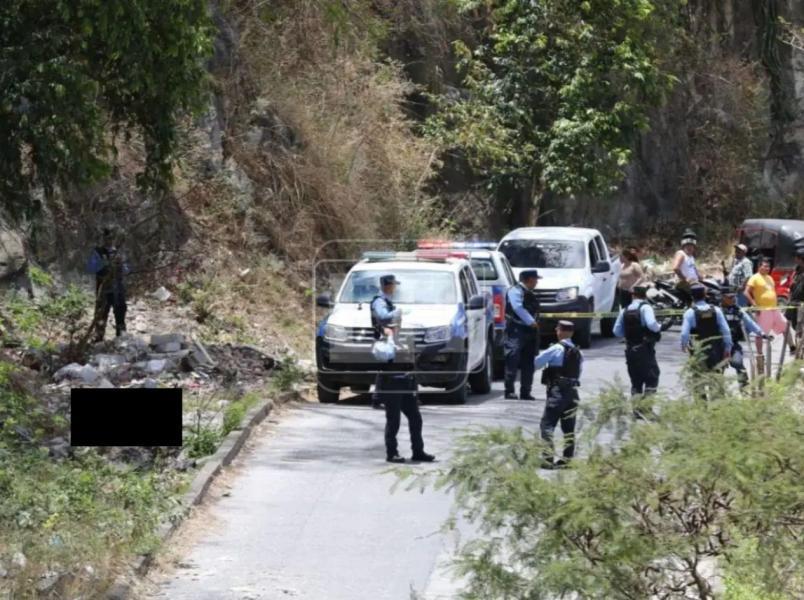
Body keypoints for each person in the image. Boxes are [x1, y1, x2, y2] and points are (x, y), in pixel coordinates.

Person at [370, 274, 434, 464]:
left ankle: (418, 451)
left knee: (415, 417)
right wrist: (395, 315)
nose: (394, 288)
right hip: (391, 378)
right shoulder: (380, 303)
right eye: (392, 285)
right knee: (394, 419)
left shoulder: (389, 306)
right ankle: (392, 453)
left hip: (404, 376)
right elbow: (382, 317)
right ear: (387, 286)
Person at [534, 321, 582, 469]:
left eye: (557, 328)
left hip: (557, 392)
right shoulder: (578, 352)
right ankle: (567, 460)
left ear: (559, 331)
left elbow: (536, 363)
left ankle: (548, 460)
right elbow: (578, 373)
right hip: (572, 393)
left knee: (547, 426)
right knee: (568, 428)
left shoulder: (556, 349)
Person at [613, 284, 661, 418]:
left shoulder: (625, 310)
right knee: (652, 377)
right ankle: (646, 409)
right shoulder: (646, 308)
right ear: (644, 295)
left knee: (636, 380)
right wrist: (659, 327)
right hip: (645, 349)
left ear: (633, 295)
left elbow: (616, 331)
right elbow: (652, 324)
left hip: (630, 350)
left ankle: (637, 410)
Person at [503, 269, 542, 400]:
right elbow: (517, 308)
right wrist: (531, 321)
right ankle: (509, 391)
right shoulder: (515, 291)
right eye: (536, 279)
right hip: (516, 329)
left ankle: (526, 392)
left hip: (530, 331)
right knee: (512, 358)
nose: (537, 282)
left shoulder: (529, 293)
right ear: (530, 279)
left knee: (528, 362)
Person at [86, 226, 129, 342]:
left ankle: (121, 340)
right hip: (103, 290)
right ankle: (98, 339)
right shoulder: (97, 252)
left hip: (118, 290)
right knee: (101, 316)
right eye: (107, 238)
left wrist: (120, 264)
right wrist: (103, 263)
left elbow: (127, 269)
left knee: (120, 315)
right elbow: (90, 268)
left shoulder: (119, 252)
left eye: (111, 238)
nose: (109, 241)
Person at [744, 258, 791, 363]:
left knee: (786, 325)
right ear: (759, 267)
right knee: (761, 332)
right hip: (763, 310)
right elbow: (746, 292)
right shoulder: (754, 278)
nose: (766, 268)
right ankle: (760, 354)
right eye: (764, 266)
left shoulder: (770, 278)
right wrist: (754, 304)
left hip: (774, 309)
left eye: (768, 266)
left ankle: (792, 347)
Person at [720, 285, 766, 389]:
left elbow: (750, 323)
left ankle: (744, 387)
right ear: (723, 297)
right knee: (718, 371)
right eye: (730, 297)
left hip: (733, 344)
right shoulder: (717, 311)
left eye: (734, 297)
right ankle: (719, 394)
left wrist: (762, 334)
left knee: (738, 363)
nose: (733, 299)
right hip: (719, 345)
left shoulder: (737, 310)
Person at [680, 283, 732, 372]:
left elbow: (684, 333)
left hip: (698, 348)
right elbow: (726, 330)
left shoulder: (689, 313)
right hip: (716, 348)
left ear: (692, 297)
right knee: (716, 378)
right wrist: (728, 348)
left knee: (699, 378)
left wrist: (684, 345)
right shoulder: (717, 310)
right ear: (705, 295)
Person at [672, 230, 700, 305]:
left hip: (692, 282)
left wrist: (701, 277)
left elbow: (694, 269)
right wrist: (685, 279)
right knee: (699, 294)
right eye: (687, 246)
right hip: (682, 283)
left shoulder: (691, 257)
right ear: (683, 245)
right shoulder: (681, 254)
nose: (690, 247)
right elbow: (675, 268)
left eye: (691, 246)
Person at [788, 247, 804, 359]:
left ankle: (800, 351)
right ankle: (798, 348)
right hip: (793, 303)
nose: (794, 259)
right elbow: (792, 286)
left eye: (796, 257)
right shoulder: (796, 270)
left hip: (802, 305)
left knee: (799, 327)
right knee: (793, 326)